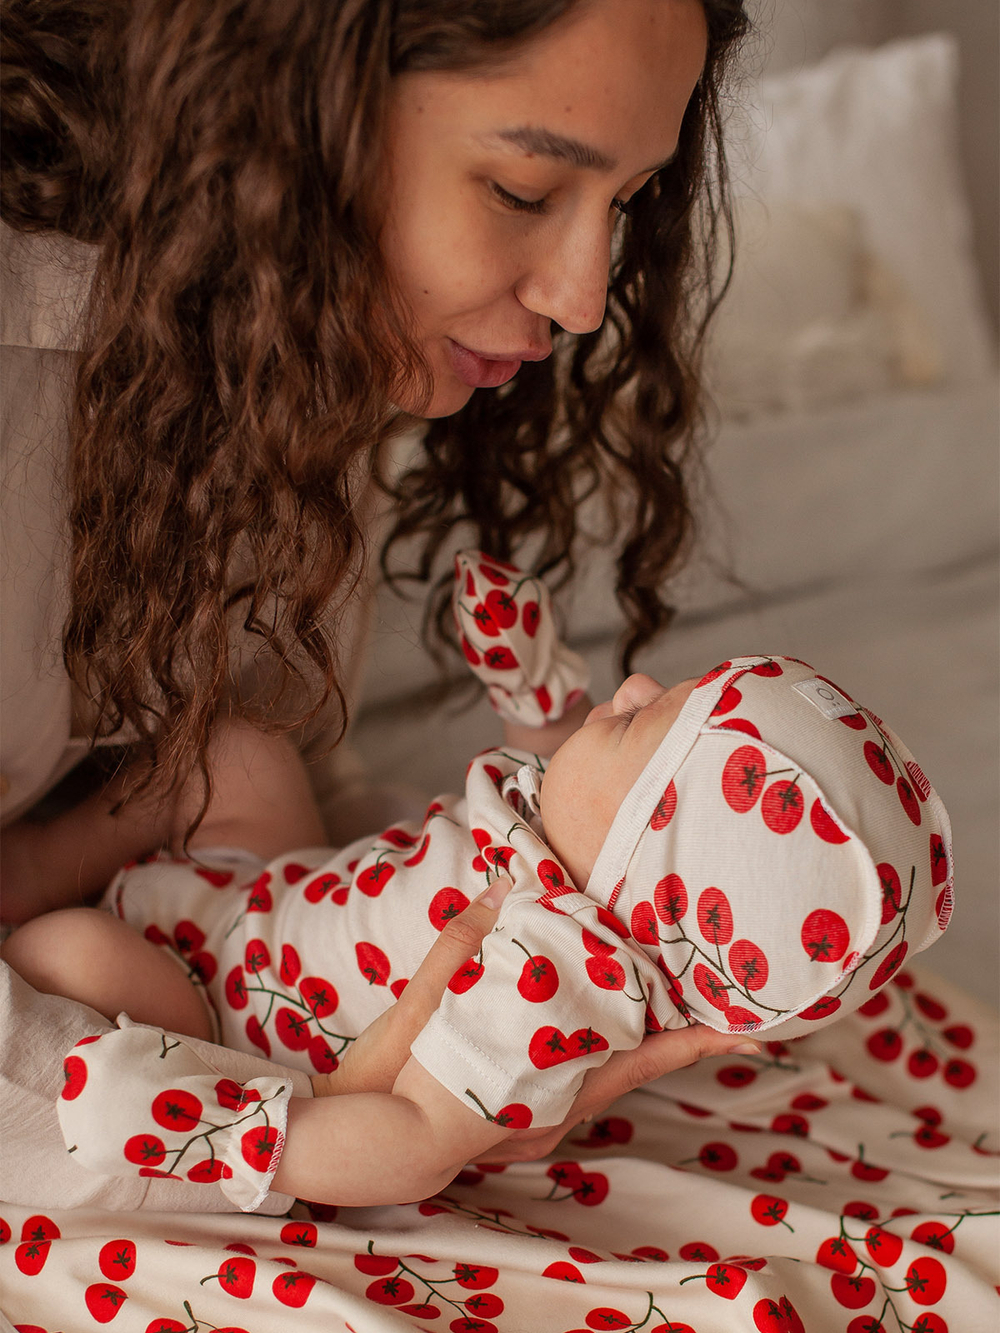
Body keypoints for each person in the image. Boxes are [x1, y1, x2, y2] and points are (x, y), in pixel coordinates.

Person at [0, 0, 755, 1209]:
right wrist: (287, 1129)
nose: (582, 298)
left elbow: (273, 803)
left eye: (624, 204)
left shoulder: (286, 330)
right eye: (520, 190)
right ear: (285, 108)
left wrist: (420, 992)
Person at [3, 551, 953, 1210]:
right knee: (241, 753)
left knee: (71, 949)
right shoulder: (580, 847)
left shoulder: (551, 985)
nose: (625, 689)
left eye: (638, 718)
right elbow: (568, 796)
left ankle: (39, 893)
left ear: (635, 861)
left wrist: (224, 1128)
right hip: (271, 889)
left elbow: (416, 1140)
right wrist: (537, 702)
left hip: (224, 1015)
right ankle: (50, 855)